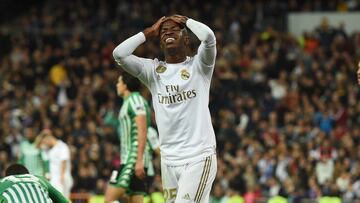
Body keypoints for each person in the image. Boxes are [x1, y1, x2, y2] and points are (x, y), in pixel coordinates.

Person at [112, 14, 217, 202]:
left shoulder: (199, 66)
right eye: (163, 32)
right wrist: (148, 32)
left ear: (186, 39)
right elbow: (119, 54)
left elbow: (209, 38)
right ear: (159, 43)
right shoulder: (153, 72)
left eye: (174, 30)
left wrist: (186, 21)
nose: (168, 32)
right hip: (168, 160)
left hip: (198, 156)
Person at [104, 74, 152, 203]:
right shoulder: (128, 102)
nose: (117, 85)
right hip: (132, 158)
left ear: (125, 85)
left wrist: (139, 160)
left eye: (119, 82)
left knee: (109, 199)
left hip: (133, 158)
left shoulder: (135, 100)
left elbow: (142, 129)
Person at [0, 163, 69, 203]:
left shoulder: (3, 182)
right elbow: (64, 202)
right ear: (28, 174)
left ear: (7, 176)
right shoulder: (39, 179)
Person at [37, 130, 73, 199]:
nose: (45, 144)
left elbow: (64, 161)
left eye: (45, 142)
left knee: (63, 199)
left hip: (62, 178)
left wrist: (62, 177)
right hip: (54, 179)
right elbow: (37, 146)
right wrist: (42, 134)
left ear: (49, 138)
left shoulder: (62, 146)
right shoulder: (49, 150)